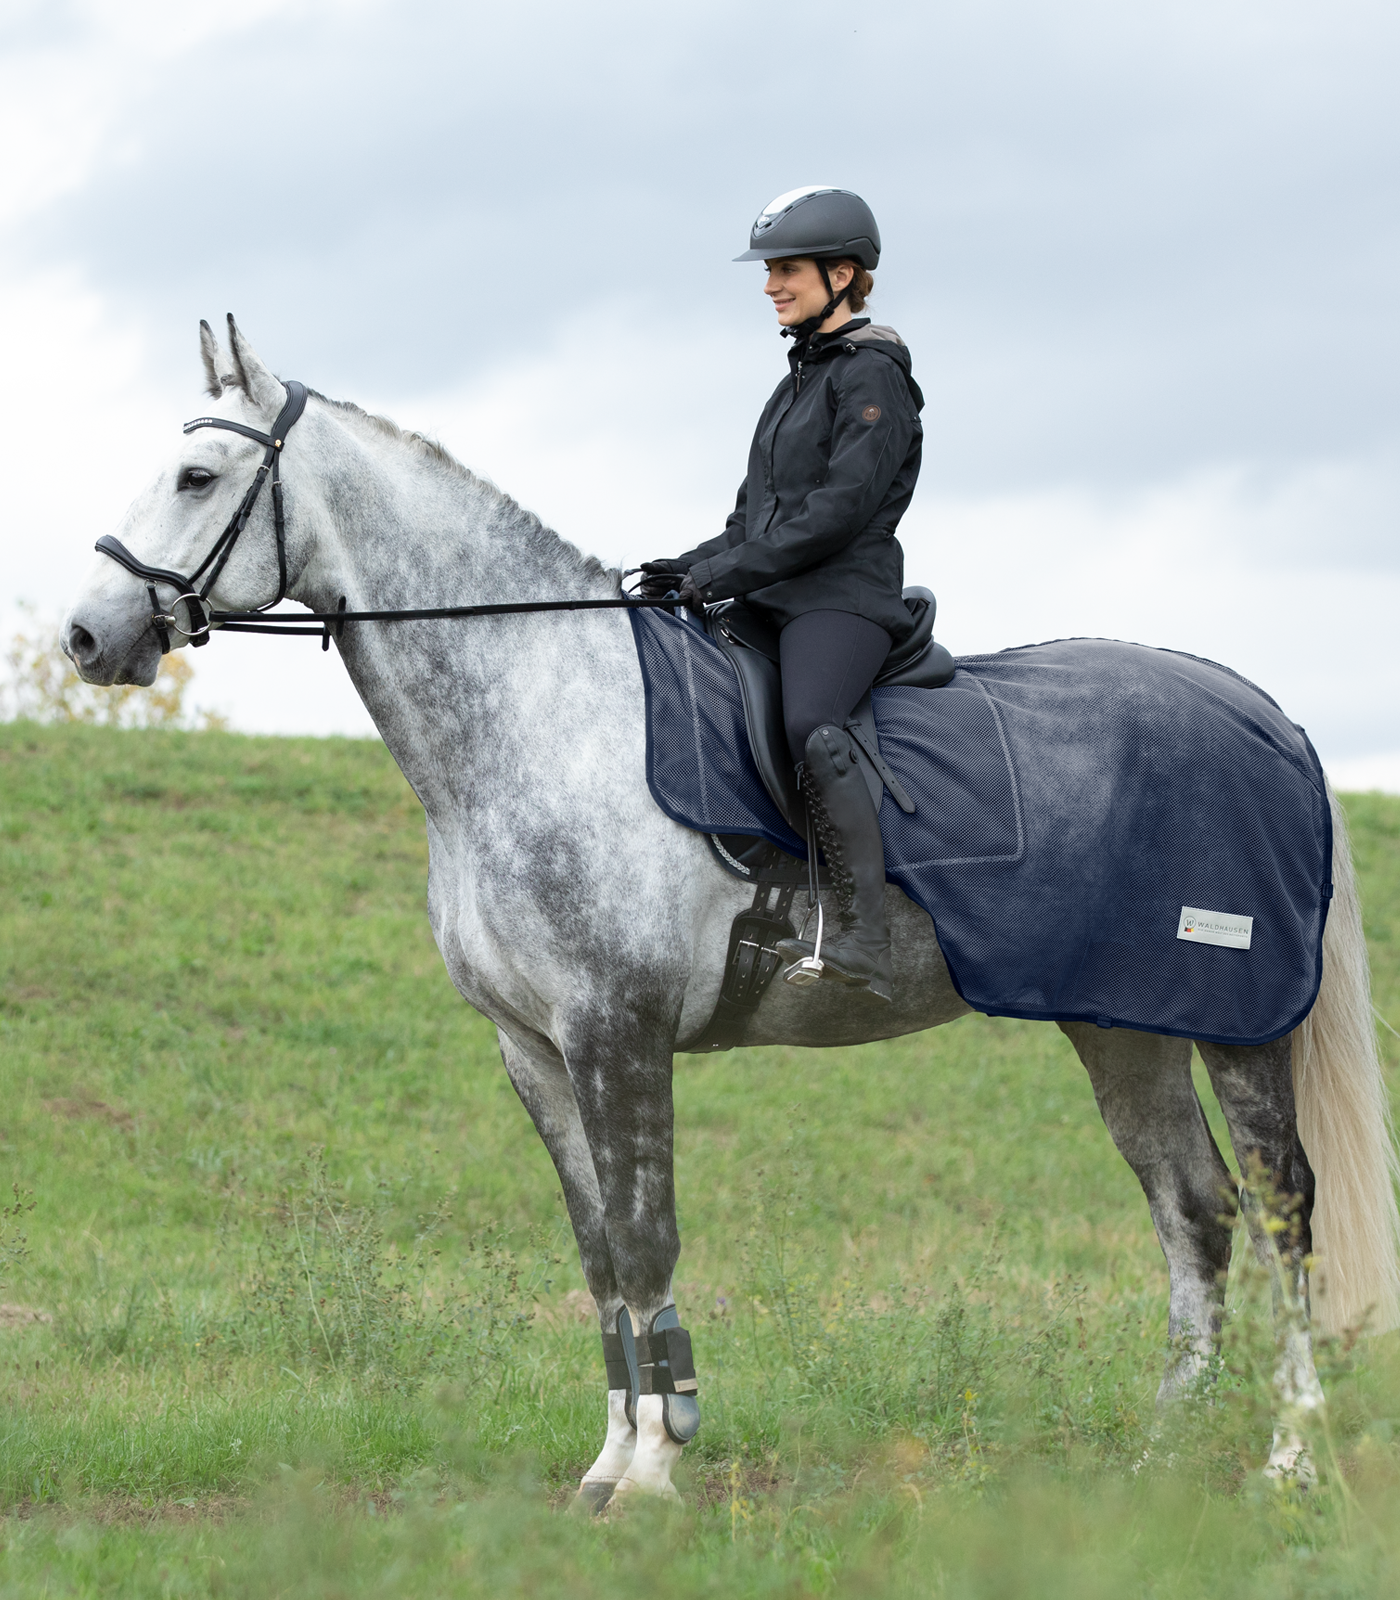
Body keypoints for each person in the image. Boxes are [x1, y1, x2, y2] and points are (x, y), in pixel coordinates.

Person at [640, 186, 924, 1003]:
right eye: (769, 271)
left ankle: (865, 939)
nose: (771, 286)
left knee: (811, 725)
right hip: (775, 592)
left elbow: (837, 515)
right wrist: (680, 568)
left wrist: (723, 576)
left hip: (842, 596)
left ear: (843, 274)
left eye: (787, 270)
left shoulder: (874, 377)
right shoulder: (796, 382)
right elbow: (752, 521)